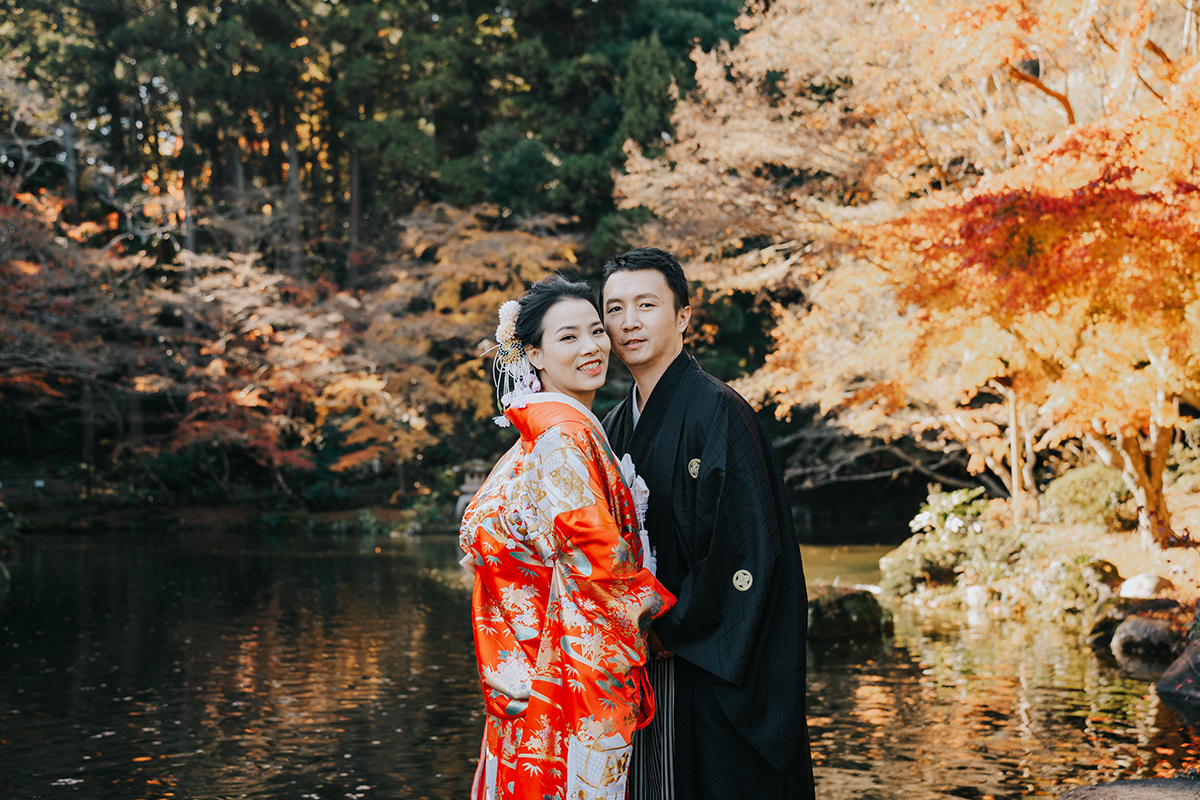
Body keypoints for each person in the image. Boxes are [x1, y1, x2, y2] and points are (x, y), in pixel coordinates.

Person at [600, 248, 816, 800]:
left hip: (701, 653)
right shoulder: (612, 425)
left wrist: (667, 625)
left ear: (683, 317)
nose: (629, 322)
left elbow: (747, 552)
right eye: (615, 308)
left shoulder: (719, 411)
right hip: (640, 655)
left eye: (646, 304)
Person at [459, 275, 677, 800]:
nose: (592, 348)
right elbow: (594, 552)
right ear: (533, 353)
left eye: (596, 331)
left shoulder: (538, 436)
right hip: (564, 672)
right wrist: (661, 619)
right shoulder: (564, 437)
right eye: (568, 337)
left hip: (527, 665)